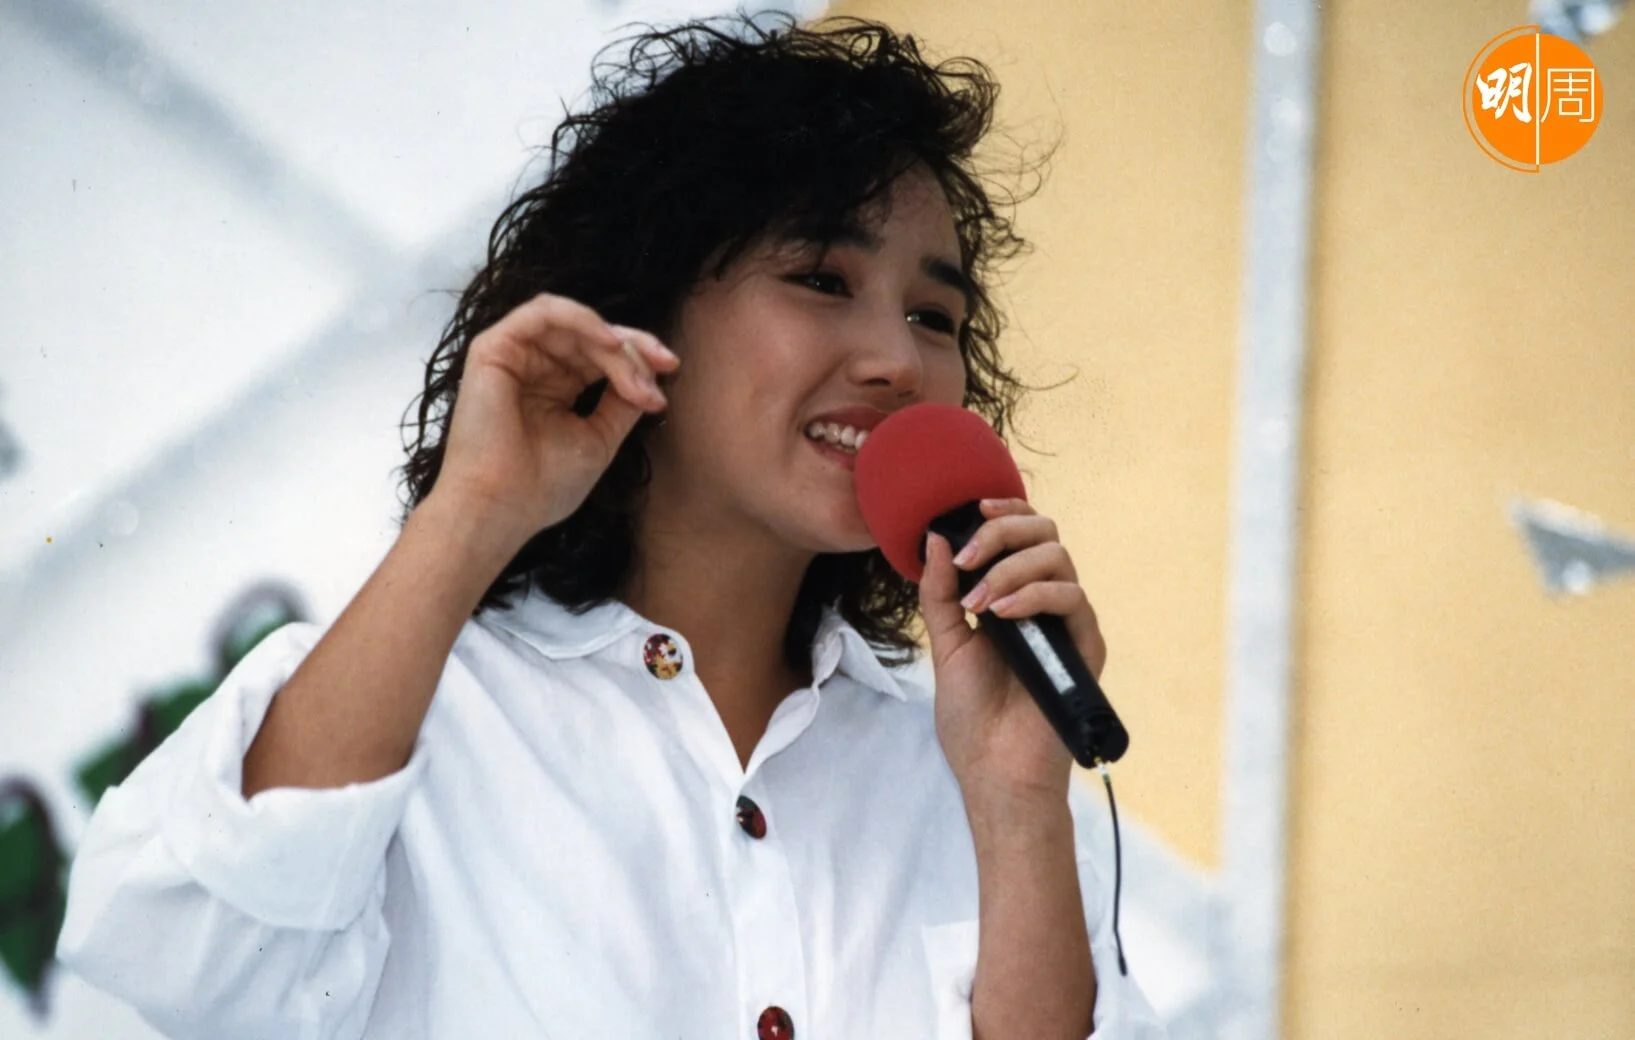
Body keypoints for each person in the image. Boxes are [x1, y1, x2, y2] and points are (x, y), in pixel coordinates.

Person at [57, 12, 1165, 1039]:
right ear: (644, 309)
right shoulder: (421, 713)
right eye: (822, 279)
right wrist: (472, 512)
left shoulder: (963, 763)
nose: (896, 360)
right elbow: (188, 956)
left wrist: (1016, 806)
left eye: (935, 314)